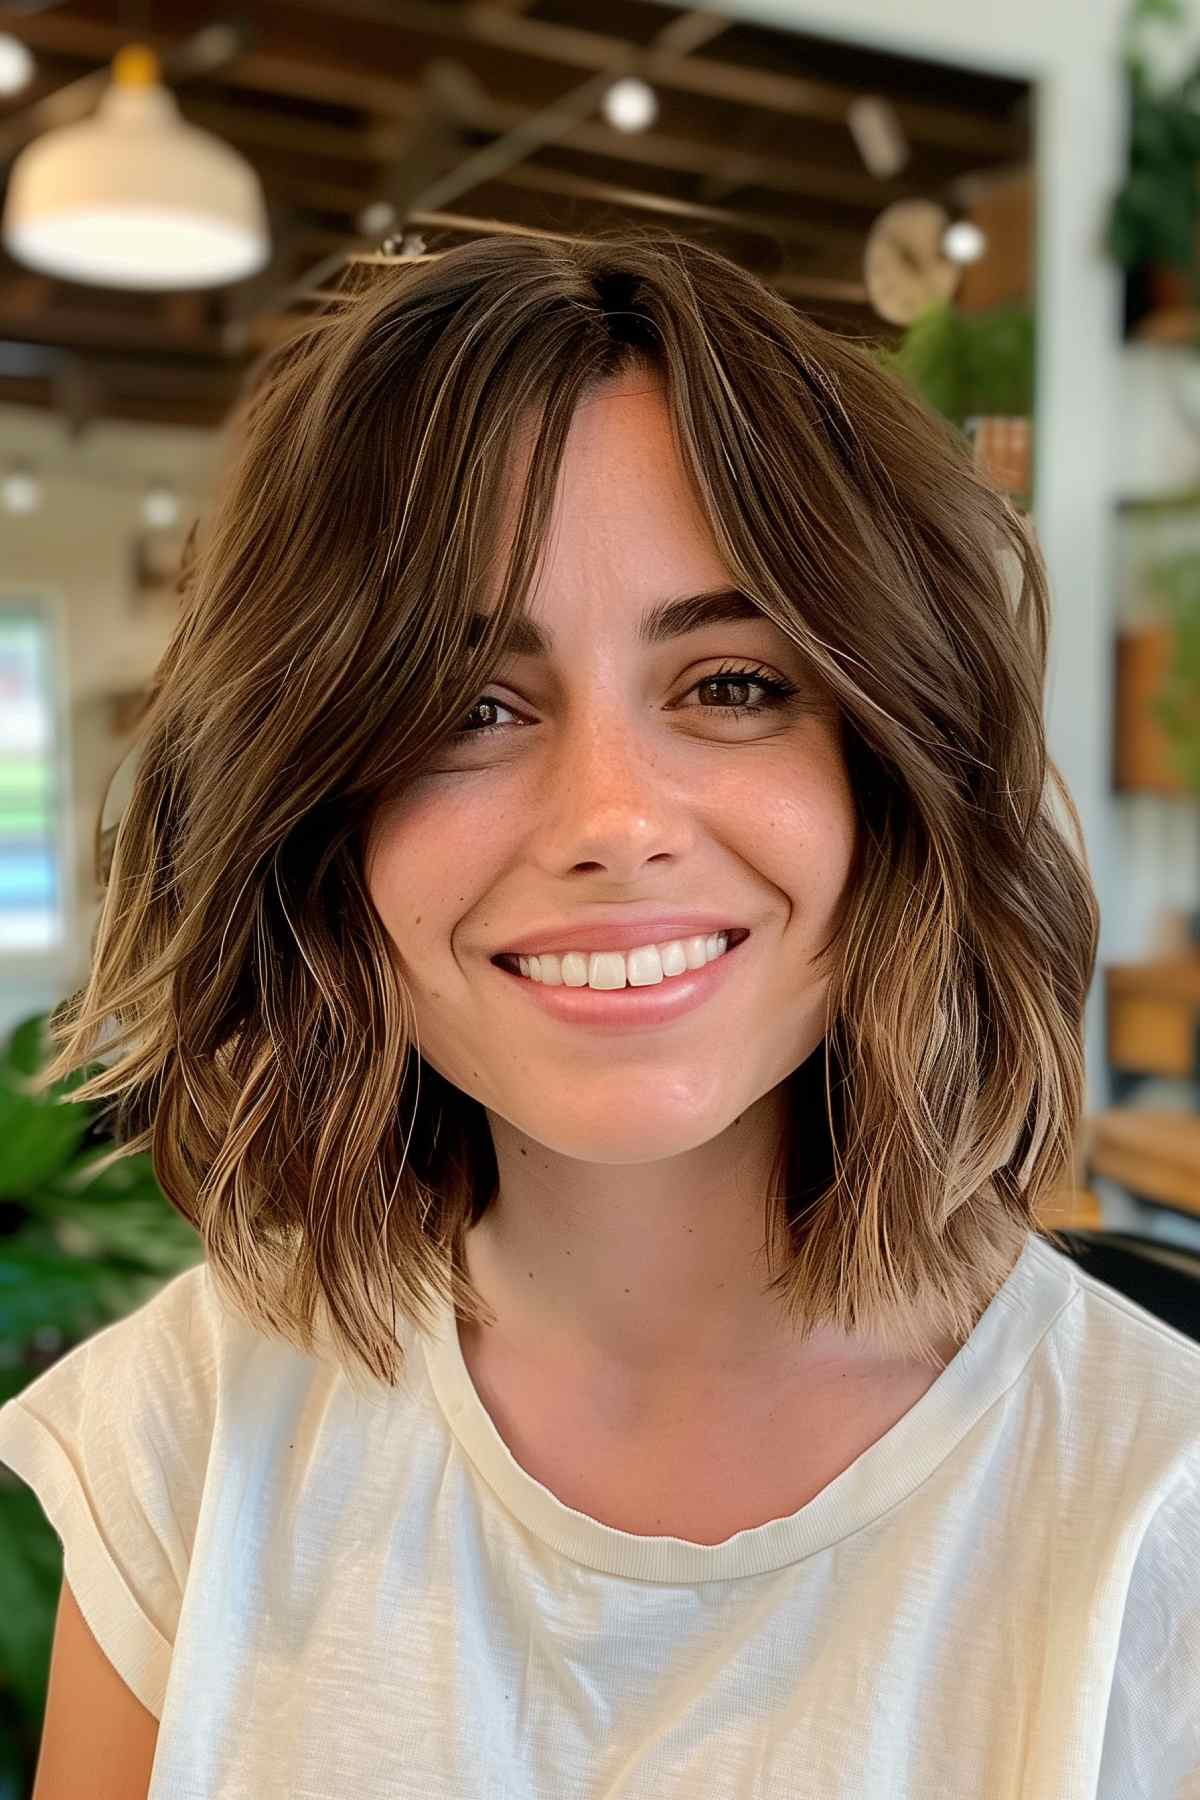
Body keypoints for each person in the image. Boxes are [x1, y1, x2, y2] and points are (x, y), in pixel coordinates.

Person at [0, 226, 1196, 1800]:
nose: (612, 819)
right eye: (470, 709)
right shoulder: (194, 1434)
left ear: (892, 767)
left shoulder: (1158, 1498)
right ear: (315, 817)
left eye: (732, 684)